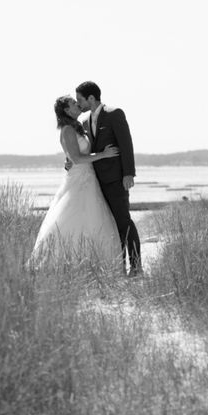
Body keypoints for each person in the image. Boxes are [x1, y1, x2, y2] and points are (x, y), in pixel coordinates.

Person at [29, 95, 122, 269]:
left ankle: (94, 263)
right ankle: (66, 264)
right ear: (66, 110)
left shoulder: (77, 127)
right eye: (73, 103)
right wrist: (104, 154)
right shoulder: (67, 130)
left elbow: (73, 156)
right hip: (79, 179)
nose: (77, 104)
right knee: (74, 218)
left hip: (88, 177)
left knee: (93, 218)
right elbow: (77, 158)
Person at [73, 81, 143, 277]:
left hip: (116, 179)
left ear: (91, 98)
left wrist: (129, 173)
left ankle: (136, 266)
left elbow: (126, 144)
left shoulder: (114, 114)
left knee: (123, 221)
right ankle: (119, 267)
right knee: (109, 224)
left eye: (80, 100)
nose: (78, 104)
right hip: (96, 181)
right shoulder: (85, 121)